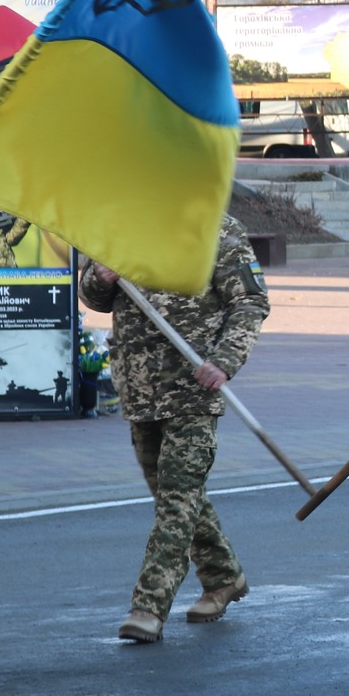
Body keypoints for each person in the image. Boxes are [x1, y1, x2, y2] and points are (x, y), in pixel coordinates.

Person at [80, 216, 270, 643]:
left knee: (176, 502)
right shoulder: (119, 226)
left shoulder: (214, 229)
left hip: (193, 388)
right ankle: (224, 576)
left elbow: (251, 301)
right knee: (177, 496)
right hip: (141, 391)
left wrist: (224, 360)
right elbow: (94, 297)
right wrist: (100, 276)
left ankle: (149, 607)